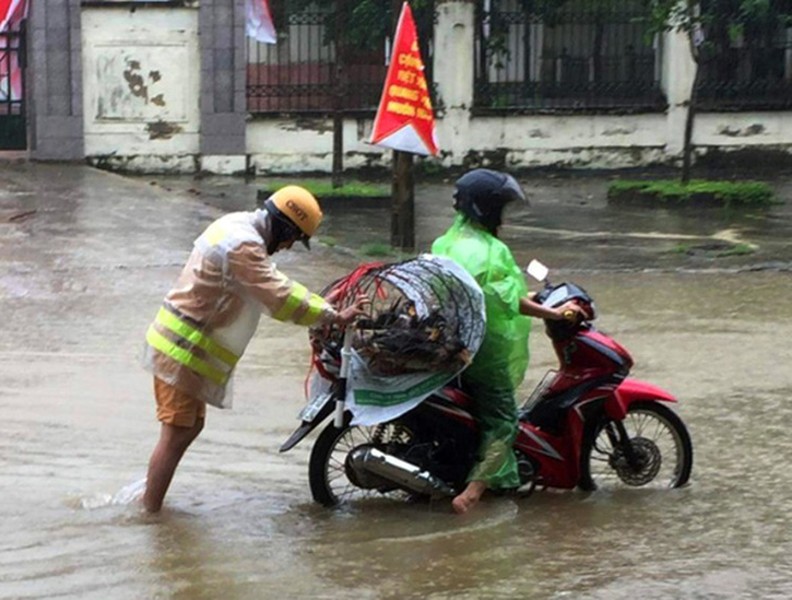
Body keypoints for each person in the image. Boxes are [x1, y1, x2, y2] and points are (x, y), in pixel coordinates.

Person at [141, 185, 368, 513]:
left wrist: (319, 305)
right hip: (181, 351)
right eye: (293, 238)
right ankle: (150, 515)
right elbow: (276, 295)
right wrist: (332, 315)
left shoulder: (237, 226)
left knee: (189, 427)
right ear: (286, 227)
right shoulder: (243, 244)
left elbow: (272, 281)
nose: (289, 246)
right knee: (176, 433)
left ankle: (150, 498)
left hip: (182, 348)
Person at [431, 169, 580, 515]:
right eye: (501, 209)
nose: (504, 218)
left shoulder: (445, 243)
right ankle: (471, 493)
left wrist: (532, 298)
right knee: (503, 421)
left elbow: (484, 292)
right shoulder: (491, 251)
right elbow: (507, 301)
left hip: (453, 342)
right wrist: (555, 314)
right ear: (488, 208)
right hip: (485, 352)